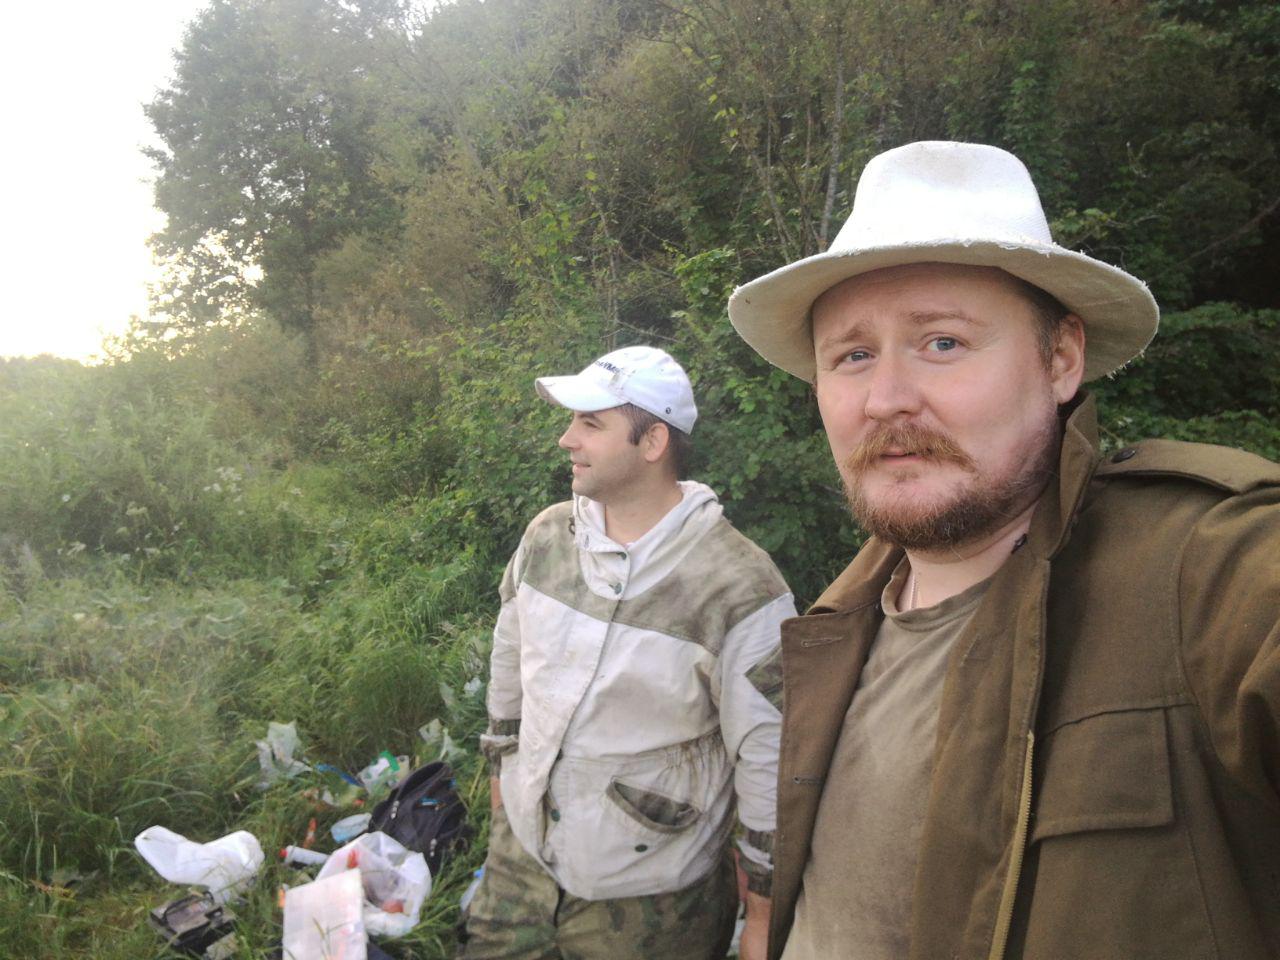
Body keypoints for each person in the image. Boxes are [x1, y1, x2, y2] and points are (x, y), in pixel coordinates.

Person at [727, 141, 1280, 960]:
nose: (885, 400)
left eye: (942, 343)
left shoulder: (1205, 568)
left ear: (1060, 360)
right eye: (853, 356)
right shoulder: (834, 622)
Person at [461, 345, 796, 960]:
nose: (566, 439)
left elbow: (769, 759)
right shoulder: (547, 537)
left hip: (653, 899)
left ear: (653, 442)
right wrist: (503, 790)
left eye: (591, 424)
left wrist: (762, 913)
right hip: (520, 860)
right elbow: (509, 664)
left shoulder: (738, 588)